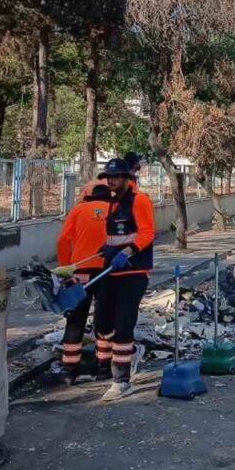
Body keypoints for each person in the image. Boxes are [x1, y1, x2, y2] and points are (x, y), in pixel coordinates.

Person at [95, 157, 156, 401]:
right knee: (101, 323)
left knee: (123, 324)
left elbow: (147, 232)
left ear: (127, 179)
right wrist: (106, 249)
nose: (111, 180)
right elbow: (114, 236)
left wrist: (128, 251)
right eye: (109, 177)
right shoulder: (111, 203)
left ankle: (121, 381)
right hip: (111, 270)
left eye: (116, 177)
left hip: (134, 271)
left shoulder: (138, 200)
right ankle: (127, 351)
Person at [52, 184, 113, 383]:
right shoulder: (114, 209)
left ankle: (70, 371)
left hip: (80, 271)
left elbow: (63, 240)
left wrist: (65, 267)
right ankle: (103, 370)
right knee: (104, 319)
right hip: (106, 270)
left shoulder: (78, 210)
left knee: (75, 320)